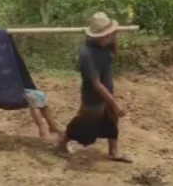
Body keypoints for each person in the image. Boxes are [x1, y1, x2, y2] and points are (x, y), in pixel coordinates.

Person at [57, 12, 132, 163]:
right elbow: (96, 83)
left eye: (109, 34)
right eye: (106, 35)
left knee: (112, 120)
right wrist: (114, 104)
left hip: (107, 90)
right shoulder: (86, 54)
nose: (108, 38)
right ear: (96, 36)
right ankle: (61, 144)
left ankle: (113, 152)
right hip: (93, 96)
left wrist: (114, 34)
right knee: (84, 123)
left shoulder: (106, 42)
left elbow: (115, 52)